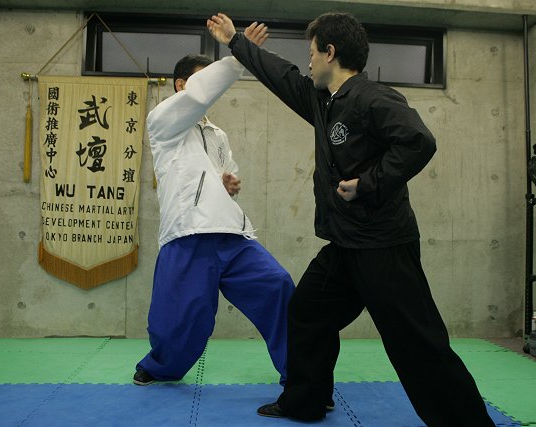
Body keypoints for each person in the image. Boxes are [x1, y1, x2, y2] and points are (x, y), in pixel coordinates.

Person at [207, 12, 496, 426]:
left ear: (330, 53)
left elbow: (418, 141)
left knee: (417, 344)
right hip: (345, 246)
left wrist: (368, 183)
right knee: (307, 311)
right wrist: (236, 41)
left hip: (383, 247)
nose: (308, 62)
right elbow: (280, 75)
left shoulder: (373, 98)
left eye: (312, 53)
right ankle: (306, 401)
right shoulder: (322, 101)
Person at [134, 45, 295, 387]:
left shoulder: (217, 134)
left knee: (278, 285)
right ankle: (161, 367)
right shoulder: (162, 121)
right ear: (181, 85)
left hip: (232, 234)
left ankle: (302, 374)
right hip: (188, 233)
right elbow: (199, 95)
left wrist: (227, 183)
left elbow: (221, 173)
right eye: (203, 78)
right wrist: (238, 58)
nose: (211, 87)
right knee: (183, 319)